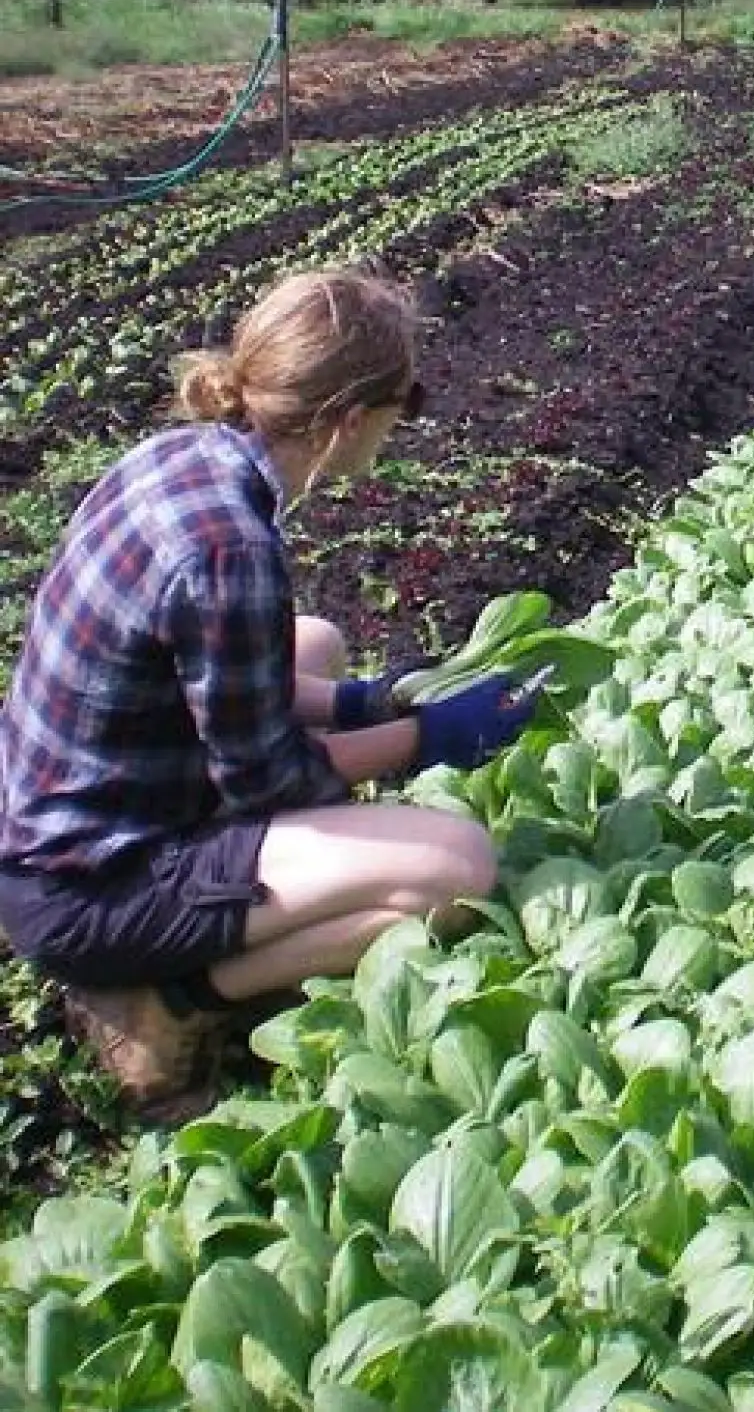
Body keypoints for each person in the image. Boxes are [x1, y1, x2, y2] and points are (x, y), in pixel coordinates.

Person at [0, 266, 534, 1124]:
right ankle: (164, 1005)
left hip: (47, 825)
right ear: (348, 419)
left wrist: (364, 702)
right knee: (455, 870)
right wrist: (428, 738)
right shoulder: (228, 548)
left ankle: (210, 940)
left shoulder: (181, 456)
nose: (403, 423)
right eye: (405, 403)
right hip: (92, 889)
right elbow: (268, 781)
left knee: (313, 642)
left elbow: (220, 673)